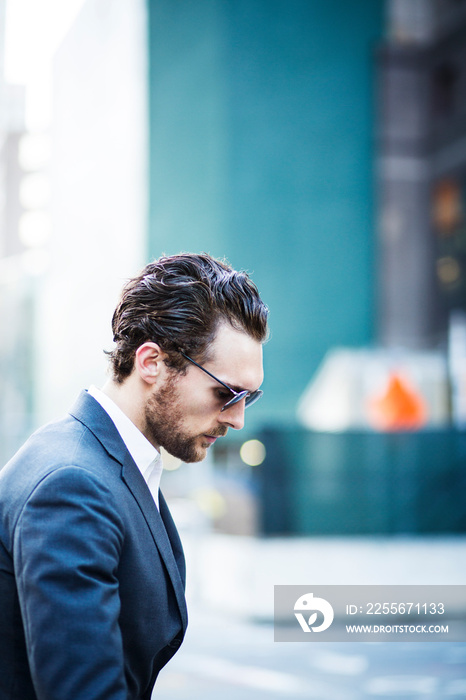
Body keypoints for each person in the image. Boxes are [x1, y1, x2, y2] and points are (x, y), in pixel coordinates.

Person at [0, 253, 268, 700]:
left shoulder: (104, 460)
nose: (238, 419)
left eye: (249, 398)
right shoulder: (71, 486)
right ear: (151, 363)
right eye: (226, 393)